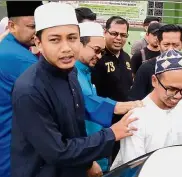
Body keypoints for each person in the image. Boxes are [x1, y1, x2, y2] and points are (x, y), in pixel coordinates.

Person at [10, 3, 138, 177]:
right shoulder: (30, 89)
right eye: (55, 40)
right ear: (38, 43)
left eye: (72, 38)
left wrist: (86, 163)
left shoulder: (71, 73)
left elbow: (75, 124)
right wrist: (111, 134)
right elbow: (57, 151)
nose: (66, 48)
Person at [76, 21, 143, 173]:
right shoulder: (71, 75)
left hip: (100, 141)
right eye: (96, 50)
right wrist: (118, 106)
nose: (99, 56)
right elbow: (86, 104)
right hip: (86, 151)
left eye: (101, 52)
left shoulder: (85, 71)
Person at [111, 49, 182, 169]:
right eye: (171, 89)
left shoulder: (179, 104)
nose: (178, 96)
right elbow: (135, 168)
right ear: (154, 81)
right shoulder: (136, 117)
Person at [0, 2, 43, 177]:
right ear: (11, 25)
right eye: (32, 26)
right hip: (13, 143)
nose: (36, 33)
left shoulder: (9, 48)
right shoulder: (20, 58)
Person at [129, 24, 182, 125]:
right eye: (166, 45)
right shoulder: (146, 68)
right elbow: (136, 101)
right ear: (159, 44)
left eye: (175, 45)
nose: (170, 49)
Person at [91, 15, 134, 162]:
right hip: (102, 122)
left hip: (124, 122)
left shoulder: (127, 57)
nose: (118, 38)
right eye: (114, 33)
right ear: (105, 32)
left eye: (123, 35)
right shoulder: (96, 57)